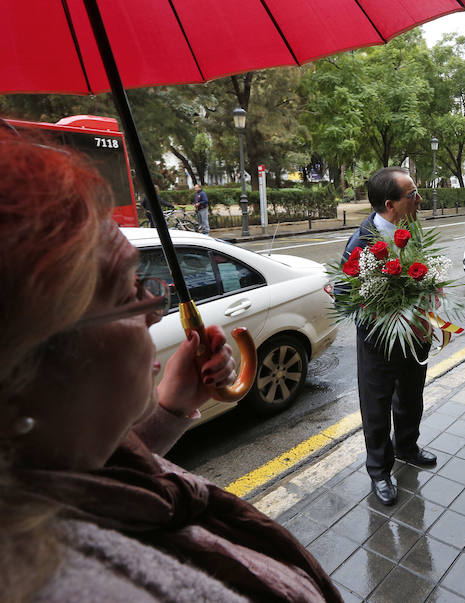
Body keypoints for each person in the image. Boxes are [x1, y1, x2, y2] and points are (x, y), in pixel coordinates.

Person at [0, 133, 340, 602]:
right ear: (28, 367)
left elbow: (111, 468)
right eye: (125, 290)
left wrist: (173, 407)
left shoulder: (46, 473)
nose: (154, 309)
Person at [340, 167, 437, 506]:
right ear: (390, 204)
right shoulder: (361, 241)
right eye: (412, 194)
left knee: (411, 397)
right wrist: (385, 315)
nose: (419, 198)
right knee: (377, 407)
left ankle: (407, 447)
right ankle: (379, 470)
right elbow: (343, 297)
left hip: (414, 337)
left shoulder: (413, 230)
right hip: (379, 343)